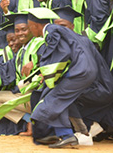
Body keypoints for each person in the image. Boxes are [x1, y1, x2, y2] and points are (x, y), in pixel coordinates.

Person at [24, 8, 113, 148]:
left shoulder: (52, 31)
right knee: (66, 100)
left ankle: (66, 135)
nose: (30, 31)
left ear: (35, 25)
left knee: (52, 99)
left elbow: (60, 54)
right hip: (87, 72)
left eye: (30, 27)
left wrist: (46, 72)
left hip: (79, 72)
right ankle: (82, 132)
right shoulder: (73, 35)